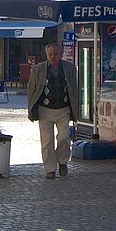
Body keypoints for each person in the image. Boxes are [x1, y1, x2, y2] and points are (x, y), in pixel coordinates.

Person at [26, 42, 80, 179]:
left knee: (64, 137)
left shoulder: (69, 68)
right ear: (46, 55)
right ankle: (50, 169)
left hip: (63, 109)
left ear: (61, 55)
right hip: (45, 110)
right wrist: (31, 110)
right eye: (50, 54)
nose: (52, 57)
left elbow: (74, 89)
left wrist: (76, 109)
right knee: (47, 141)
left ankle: (62, 161)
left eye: (55, 54)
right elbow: (31, 90)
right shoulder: (38, 69)